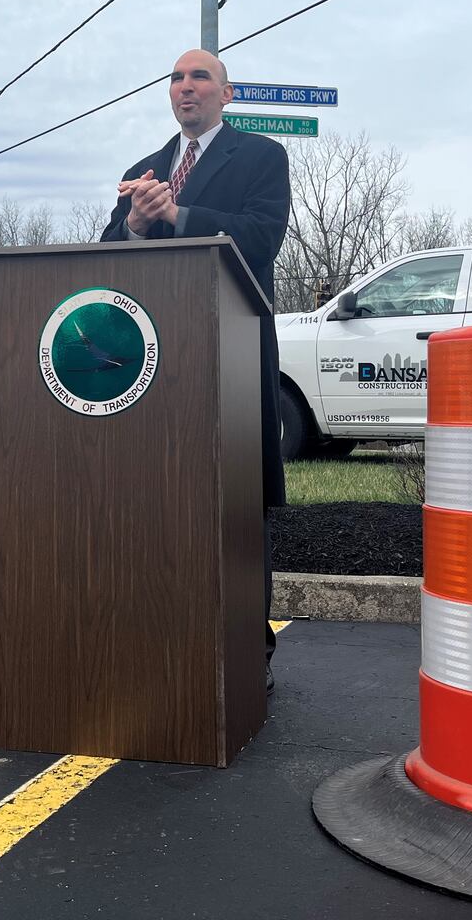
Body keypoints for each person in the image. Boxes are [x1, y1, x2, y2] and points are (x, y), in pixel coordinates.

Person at [101, 48, 292, 690]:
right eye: (177, 79)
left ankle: (244, 644)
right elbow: (105, 265)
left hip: (230, 359)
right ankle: (166, 635)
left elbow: (262, 237)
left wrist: (177, 216)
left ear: (226, 94)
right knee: (161, 501)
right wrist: (132, 223)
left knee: (235, 501)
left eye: (200, 77)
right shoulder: (142, 170)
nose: (186, 88)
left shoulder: (261, 157)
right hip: (153, 370)